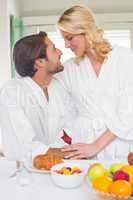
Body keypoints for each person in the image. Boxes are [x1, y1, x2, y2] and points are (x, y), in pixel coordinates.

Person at [56, 5, 133, 160]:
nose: (66, 45)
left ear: (86, 31)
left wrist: (95, 146)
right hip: (83, 148)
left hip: (120, 149)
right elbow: (59, 108)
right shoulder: (70, 68)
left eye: (69, 38)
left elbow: (128, 113)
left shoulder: (125, 59)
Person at [0, 32, 75, 160]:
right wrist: (68, 153)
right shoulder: (12, 92)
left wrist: (67, 149)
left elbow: (71, 127)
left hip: (61, 169)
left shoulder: (58, 87)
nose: (60, 52)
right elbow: (23, 145)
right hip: (25, 174)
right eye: (53, 49)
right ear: (39, 61)